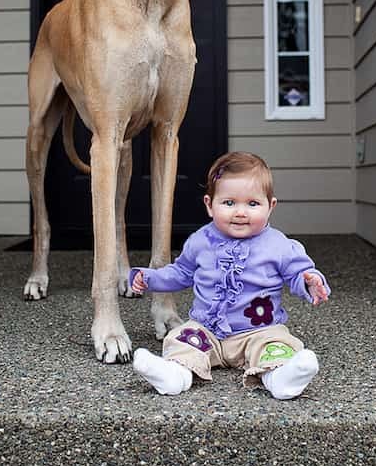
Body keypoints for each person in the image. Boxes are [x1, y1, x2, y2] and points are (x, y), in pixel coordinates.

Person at [130, 151, 330, 399]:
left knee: (276, 345)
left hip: (258, 331)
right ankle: (174, 375)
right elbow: (180, 272)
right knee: (182, 339)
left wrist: (310, 281)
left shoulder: (279, 245)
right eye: (229, 203)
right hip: (207, 330)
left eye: (253, 204)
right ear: (209, 205)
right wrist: (149, 278)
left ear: (271, 206)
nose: (240, 212)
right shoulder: (200, 242)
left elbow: (297, 272)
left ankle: (281, 378)